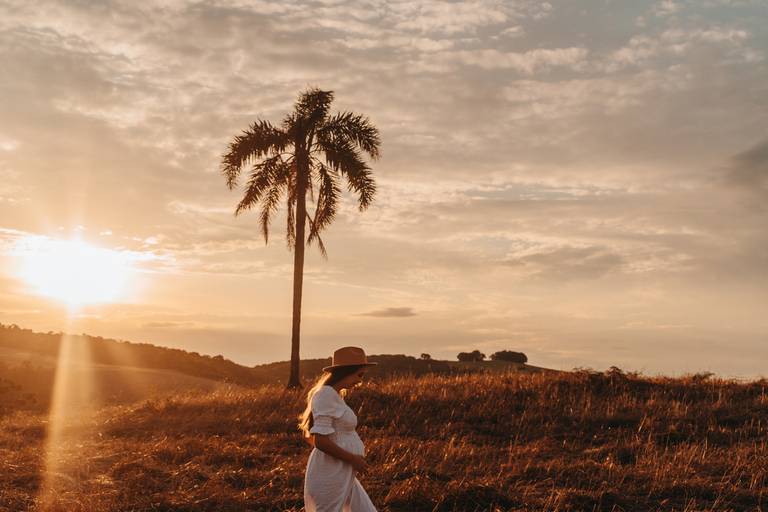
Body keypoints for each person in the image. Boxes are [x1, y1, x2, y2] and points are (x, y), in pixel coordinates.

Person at [298, 346, 378, 512]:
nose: (360, 381)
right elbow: (320, 441)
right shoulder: (326, 395)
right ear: (346, 372)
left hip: (341, 470)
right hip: (331, 472)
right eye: (359, 375)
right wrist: (352, 459)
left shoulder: (335, 395)